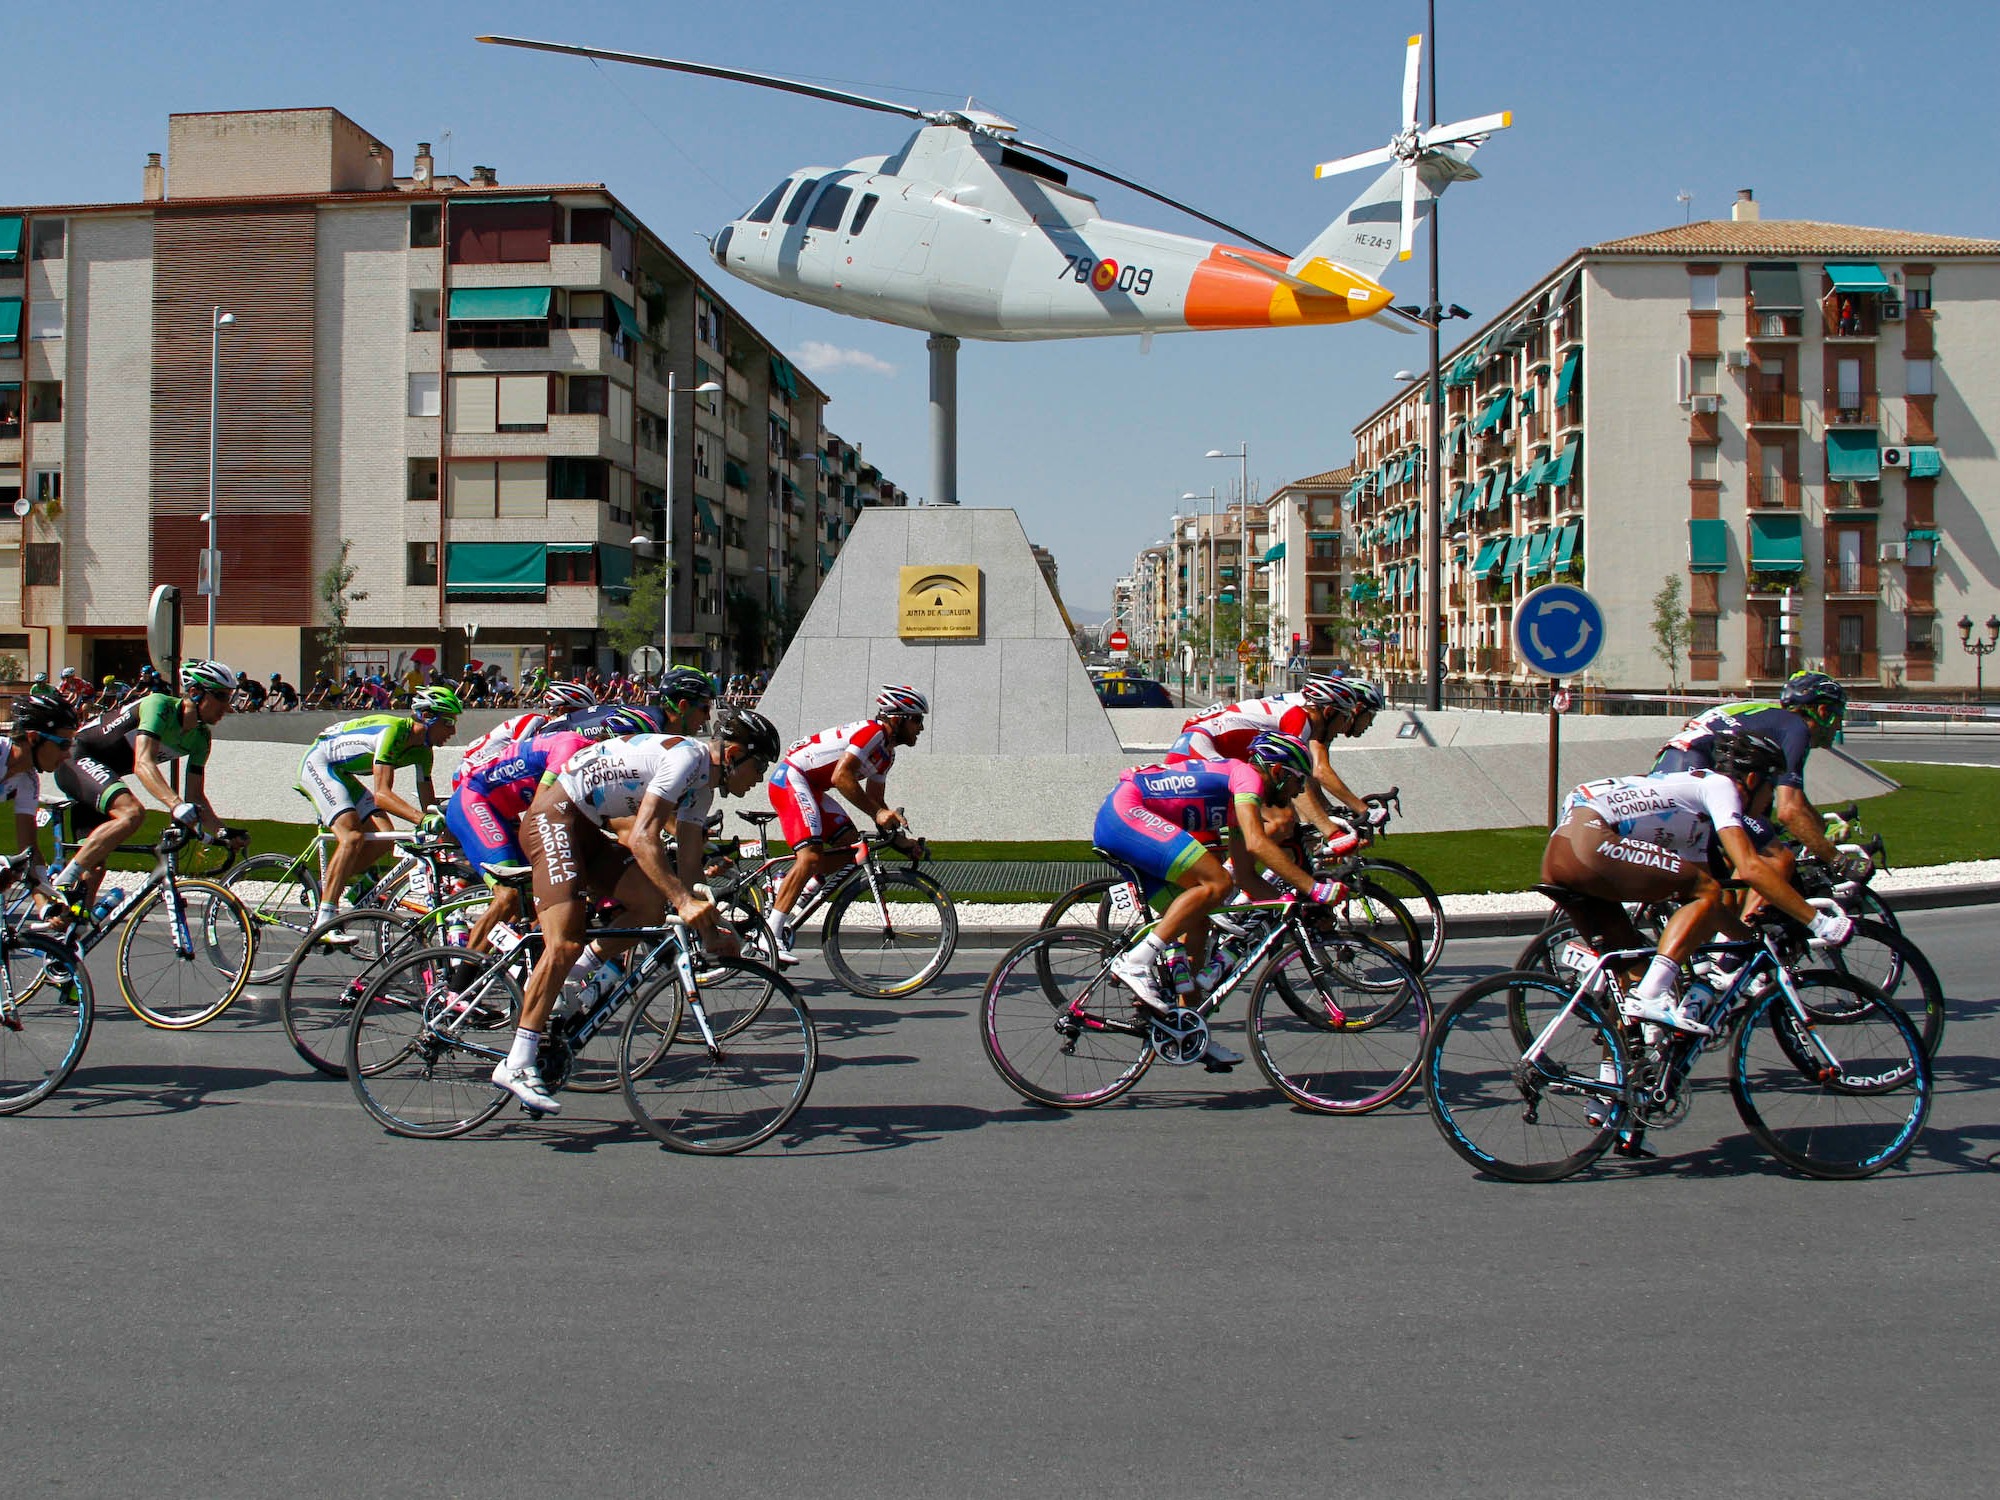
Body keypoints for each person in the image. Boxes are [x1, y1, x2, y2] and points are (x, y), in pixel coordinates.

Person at [494, 710, 782, 1112]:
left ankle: (570, 983)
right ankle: (518, 1062)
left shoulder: (702, 788)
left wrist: (713, 926)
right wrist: (684, 902)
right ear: (733, 753)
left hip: (584, 827)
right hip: (554, 818)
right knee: (565, 942)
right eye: (760, 765)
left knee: (648, 906)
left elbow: (691, 873)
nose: (760, 778)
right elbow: (644, 837)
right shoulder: (686, 761)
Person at [1543, 727, 1853, 1036]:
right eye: (1771, 790)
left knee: (1632, 974)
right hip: (1589, 844)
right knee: (1703, 895)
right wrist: (1819, 923)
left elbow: (1706, 904)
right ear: (1754, 780)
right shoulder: (1720, 787)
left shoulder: (1693, 814)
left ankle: (1614, 1076)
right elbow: (1749, 868)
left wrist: (1747, 942)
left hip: (1562, 853)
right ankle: (1651, 995)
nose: (1769, 802)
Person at [1097, 731, 1334, 1067]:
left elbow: (1249, 877)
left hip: (1128, 817)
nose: (1298, 792)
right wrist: (1313, 888)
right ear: (1279, 773)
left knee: (1199, 924)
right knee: (1217, 882)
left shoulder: (1241, 802)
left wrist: (1292, 905)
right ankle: (1136, 962)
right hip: (1127, 813)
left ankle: (1189, 1030)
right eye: (1298, 782)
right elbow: (1257, 843)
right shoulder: (1247, 777)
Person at [45, 660, 244, 918]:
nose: (227, 707)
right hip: (77, 758)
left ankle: (65, 936)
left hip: (103, 775)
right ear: (195, 692)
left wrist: (222, 831)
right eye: (221, 697)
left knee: (93, 872)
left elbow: (195, 796)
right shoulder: (158, 706)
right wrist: (175, 804)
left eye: (231, 698)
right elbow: (143, 763)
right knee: (132, 813)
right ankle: (60, 882)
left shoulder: (200, 738)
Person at [761, 685, 928, 965]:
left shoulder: (888, 754)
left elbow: (876, 801)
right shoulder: (874, 733)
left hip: (813, 788)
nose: (921, 728)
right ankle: (770, 935)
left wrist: (901, 842)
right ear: (898, 718)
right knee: (811, 856)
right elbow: (842, 776)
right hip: (793, 778)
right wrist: (877, 814)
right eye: (917, 720)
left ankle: (787, 883)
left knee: (850, 848)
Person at [1651, 670, 1858, 877]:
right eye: (1839, 716)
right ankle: (1754, 912)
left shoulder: (1766, 714)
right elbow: (1790, 811)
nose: (1839, 726)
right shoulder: (1797, 729)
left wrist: (1818, 830)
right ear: (1823, 712)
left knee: (1724, 886)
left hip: (1671, 767)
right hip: (1698, 779)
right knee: (1778, 860)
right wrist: (1838, 861)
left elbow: (1796, 799)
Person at [295, 687, 461, 934]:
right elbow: (382, 795)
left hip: (342, 773)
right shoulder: (394, 732)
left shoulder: (424, 752)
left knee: (385, 836)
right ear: (427, 717)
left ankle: (329, 886)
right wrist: (421, 819)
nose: (453, 730)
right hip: (320, 764)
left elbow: (428, 804)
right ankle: (325, 921)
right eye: (447, 722)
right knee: (351, 836)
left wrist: (448, 822)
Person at [1169, 677, 1385, 841]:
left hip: (1204, 744)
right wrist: (1333, 829)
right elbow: (1315, 773)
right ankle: (1242, 873)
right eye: (1369, 716)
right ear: (1334, 711)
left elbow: (1305, 777)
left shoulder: (1309, 714)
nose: (1369, 724)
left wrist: (1327, 813)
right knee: (1281, 821)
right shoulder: (1302, 718)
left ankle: (1243, 876)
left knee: (1287, 824)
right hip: (1201, 748)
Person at [3, 694, 79, 895]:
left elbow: (29, 851)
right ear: (33, 738)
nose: (68, 754)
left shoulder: (27, 780)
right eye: (64, 744)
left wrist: (50, 903)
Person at [654, 666, 716, 736]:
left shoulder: (656, 732)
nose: (708, 717)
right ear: (683, 706)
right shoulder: (644, 732)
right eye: (705, 709)